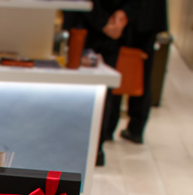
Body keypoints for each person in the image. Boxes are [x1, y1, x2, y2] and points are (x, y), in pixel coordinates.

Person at [65, 0, 168, 165]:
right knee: (105, 86)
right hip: (111, 21)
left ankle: (97, 141)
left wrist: (114, 19)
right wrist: (120, 16)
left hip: (96, 22)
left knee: (103, 85)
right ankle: (99, 142)